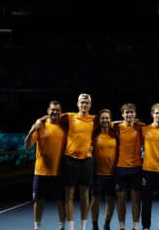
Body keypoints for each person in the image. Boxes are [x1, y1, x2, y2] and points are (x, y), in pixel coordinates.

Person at [24, 101, 66, 230]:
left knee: (61, 201)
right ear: (48, 111)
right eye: (53, 110)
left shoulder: (64, 126)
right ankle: (37, 227)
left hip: (59, 172)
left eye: (58, 110)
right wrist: (33, 128)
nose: (55, 112)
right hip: (41, 172)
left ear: (60, 112)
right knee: (39, 201)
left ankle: (62, 226)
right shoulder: (40, 126)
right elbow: (27, 146)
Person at [60, 93, 95, 230]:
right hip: (70, 159)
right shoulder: (69, 116)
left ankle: (83, 227)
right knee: (69, 193)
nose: (84, 105)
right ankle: (71, 227)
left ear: (90, 105)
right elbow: (52, 116)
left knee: (85, 193)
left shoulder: (94, 119)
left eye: (86, 103)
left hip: (87, 160)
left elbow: (109, 121)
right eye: (82, 102)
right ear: (77, 104)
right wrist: (39, 120)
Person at [114, 103, 144, 230]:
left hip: (136, 168)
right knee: (121, 200)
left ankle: (135, 227)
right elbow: (104, 121)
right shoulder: (116, 127)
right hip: (121, 169)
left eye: (131, 112)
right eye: (126, 112)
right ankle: (122, 227)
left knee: (136, 200)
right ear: (122, 115)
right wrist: (122, 121)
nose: (129, 115)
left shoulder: (141, 127)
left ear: (135, 114)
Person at [91, 109, 117, 230]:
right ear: (99, 120)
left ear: (110, 120)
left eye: (107, 118)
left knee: (110, 200)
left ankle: (107, 224)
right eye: (103, 118)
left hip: (112, 174)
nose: (105, 120)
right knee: (95, 201)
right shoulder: (94, 134)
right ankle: (94, 224)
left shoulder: (115, 134)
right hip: (97, 174)